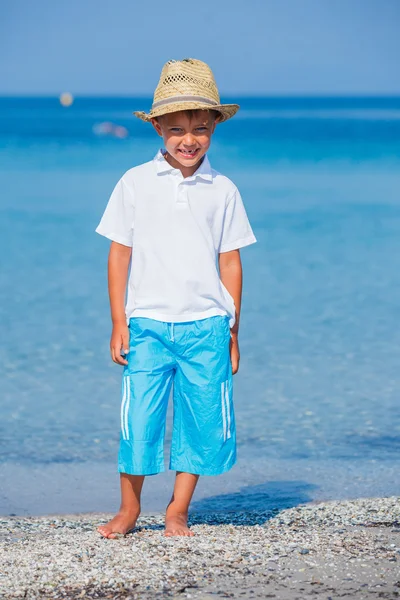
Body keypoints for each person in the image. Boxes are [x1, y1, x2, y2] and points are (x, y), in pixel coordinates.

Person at [95, 58, 257, 538]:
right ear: (159, 127)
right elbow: (118, 256)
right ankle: (129, 511)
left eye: (201, 128)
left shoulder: (223, 190)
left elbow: (231, 262)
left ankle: (178, 511)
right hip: (146, 324)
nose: (190, 139)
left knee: (203, 422)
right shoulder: (134, 183)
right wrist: (118, 321)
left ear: (213, 130)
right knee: (138, 422)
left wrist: (233, 330)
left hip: (207, 325)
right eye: (179, 128)